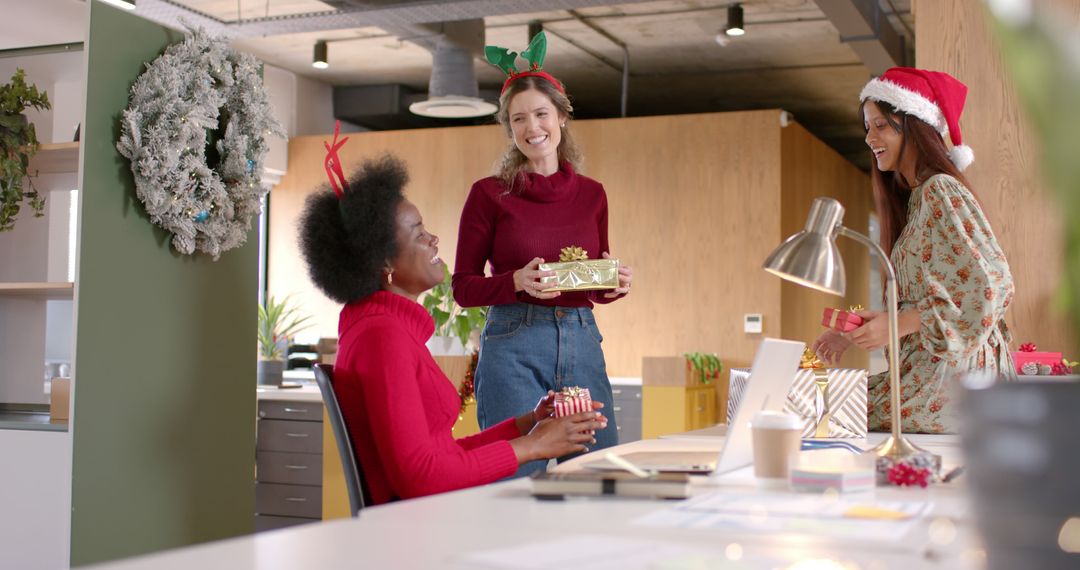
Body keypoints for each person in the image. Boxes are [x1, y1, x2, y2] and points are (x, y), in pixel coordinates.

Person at [297, 152, 607, 505]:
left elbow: (440, 454)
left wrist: (527, 425)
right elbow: (421, 477)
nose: (433, 239)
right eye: (418, 233)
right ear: (382, 260)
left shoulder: (381, 328)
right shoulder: (382, 338)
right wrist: (532, 446)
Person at [452, 32, 632, 477]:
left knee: (595, 475)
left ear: (561, 117)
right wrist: (514, 281)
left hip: (582, 340)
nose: (532, 128)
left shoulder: (593, 195)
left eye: (540, 114)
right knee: (513, 481)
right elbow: (463, 287)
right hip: (512, 342)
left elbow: (592, 285)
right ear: (509, 128)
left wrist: (613, 285)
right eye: (518, 119)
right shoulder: (489, 195)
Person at [812, 67, 1015, 434]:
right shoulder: (918, 200)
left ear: (915, 126)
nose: (870, 137)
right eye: (867, 127)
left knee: (823, 405)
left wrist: (899, 323)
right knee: (824, 402)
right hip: (932, 375)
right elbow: (931, 301)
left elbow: (993, 285)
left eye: (881, 125)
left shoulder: (941, 190)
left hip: (954, 383)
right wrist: (859, 329)